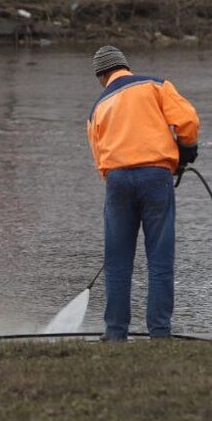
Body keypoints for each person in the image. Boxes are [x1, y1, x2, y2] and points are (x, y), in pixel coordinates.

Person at [86, 45, 200, 341]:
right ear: (126, 66)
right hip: (156, 178)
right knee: (160, 260)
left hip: (117, 182)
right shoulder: (156, 85)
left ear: (101, 76)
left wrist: (119, 182)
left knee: (117, 263)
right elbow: (188, 122)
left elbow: (100, 159)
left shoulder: (97, 107)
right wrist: (185, 153)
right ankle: (160, 333)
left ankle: (115, 334)